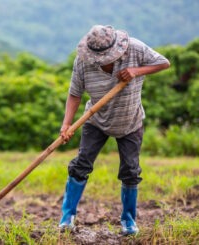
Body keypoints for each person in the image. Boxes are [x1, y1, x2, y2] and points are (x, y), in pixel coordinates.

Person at [58, 25, 170, 235]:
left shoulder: (135, 49)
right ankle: (67, 217)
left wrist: (136, 71)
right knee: (81, 165)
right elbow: (75, 93)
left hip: (130, 121)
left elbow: (163, 63)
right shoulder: (83, 61)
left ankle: (128, 221)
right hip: (96, 120)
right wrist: (67, 124)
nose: (101, 61)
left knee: (130, 170)